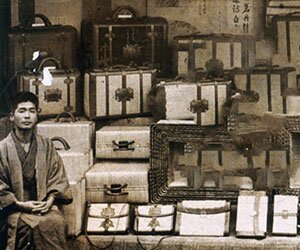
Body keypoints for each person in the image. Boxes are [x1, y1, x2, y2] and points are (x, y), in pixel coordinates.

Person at [0, 91, 71, 249]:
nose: (27, 116)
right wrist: (19, 204)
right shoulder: (2, 149)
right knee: (28, 227)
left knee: (56, 222)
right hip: (13, 210)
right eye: (22, 111)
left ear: (37, 115)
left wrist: (50, 200)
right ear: (12, 116)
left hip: (43, 206)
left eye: (31, 111)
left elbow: (57, 177)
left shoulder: (46, 146)